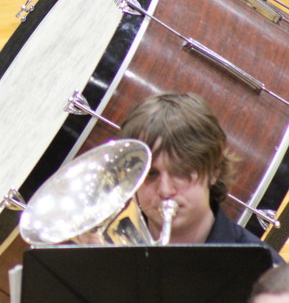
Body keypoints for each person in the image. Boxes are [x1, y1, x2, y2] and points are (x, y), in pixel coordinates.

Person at [119, 92, 283, 264]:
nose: (165, 190)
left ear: (213, 171)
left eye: (181, 171)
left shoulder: (262, 268)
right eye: (151, 174)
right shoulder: (107, 252)